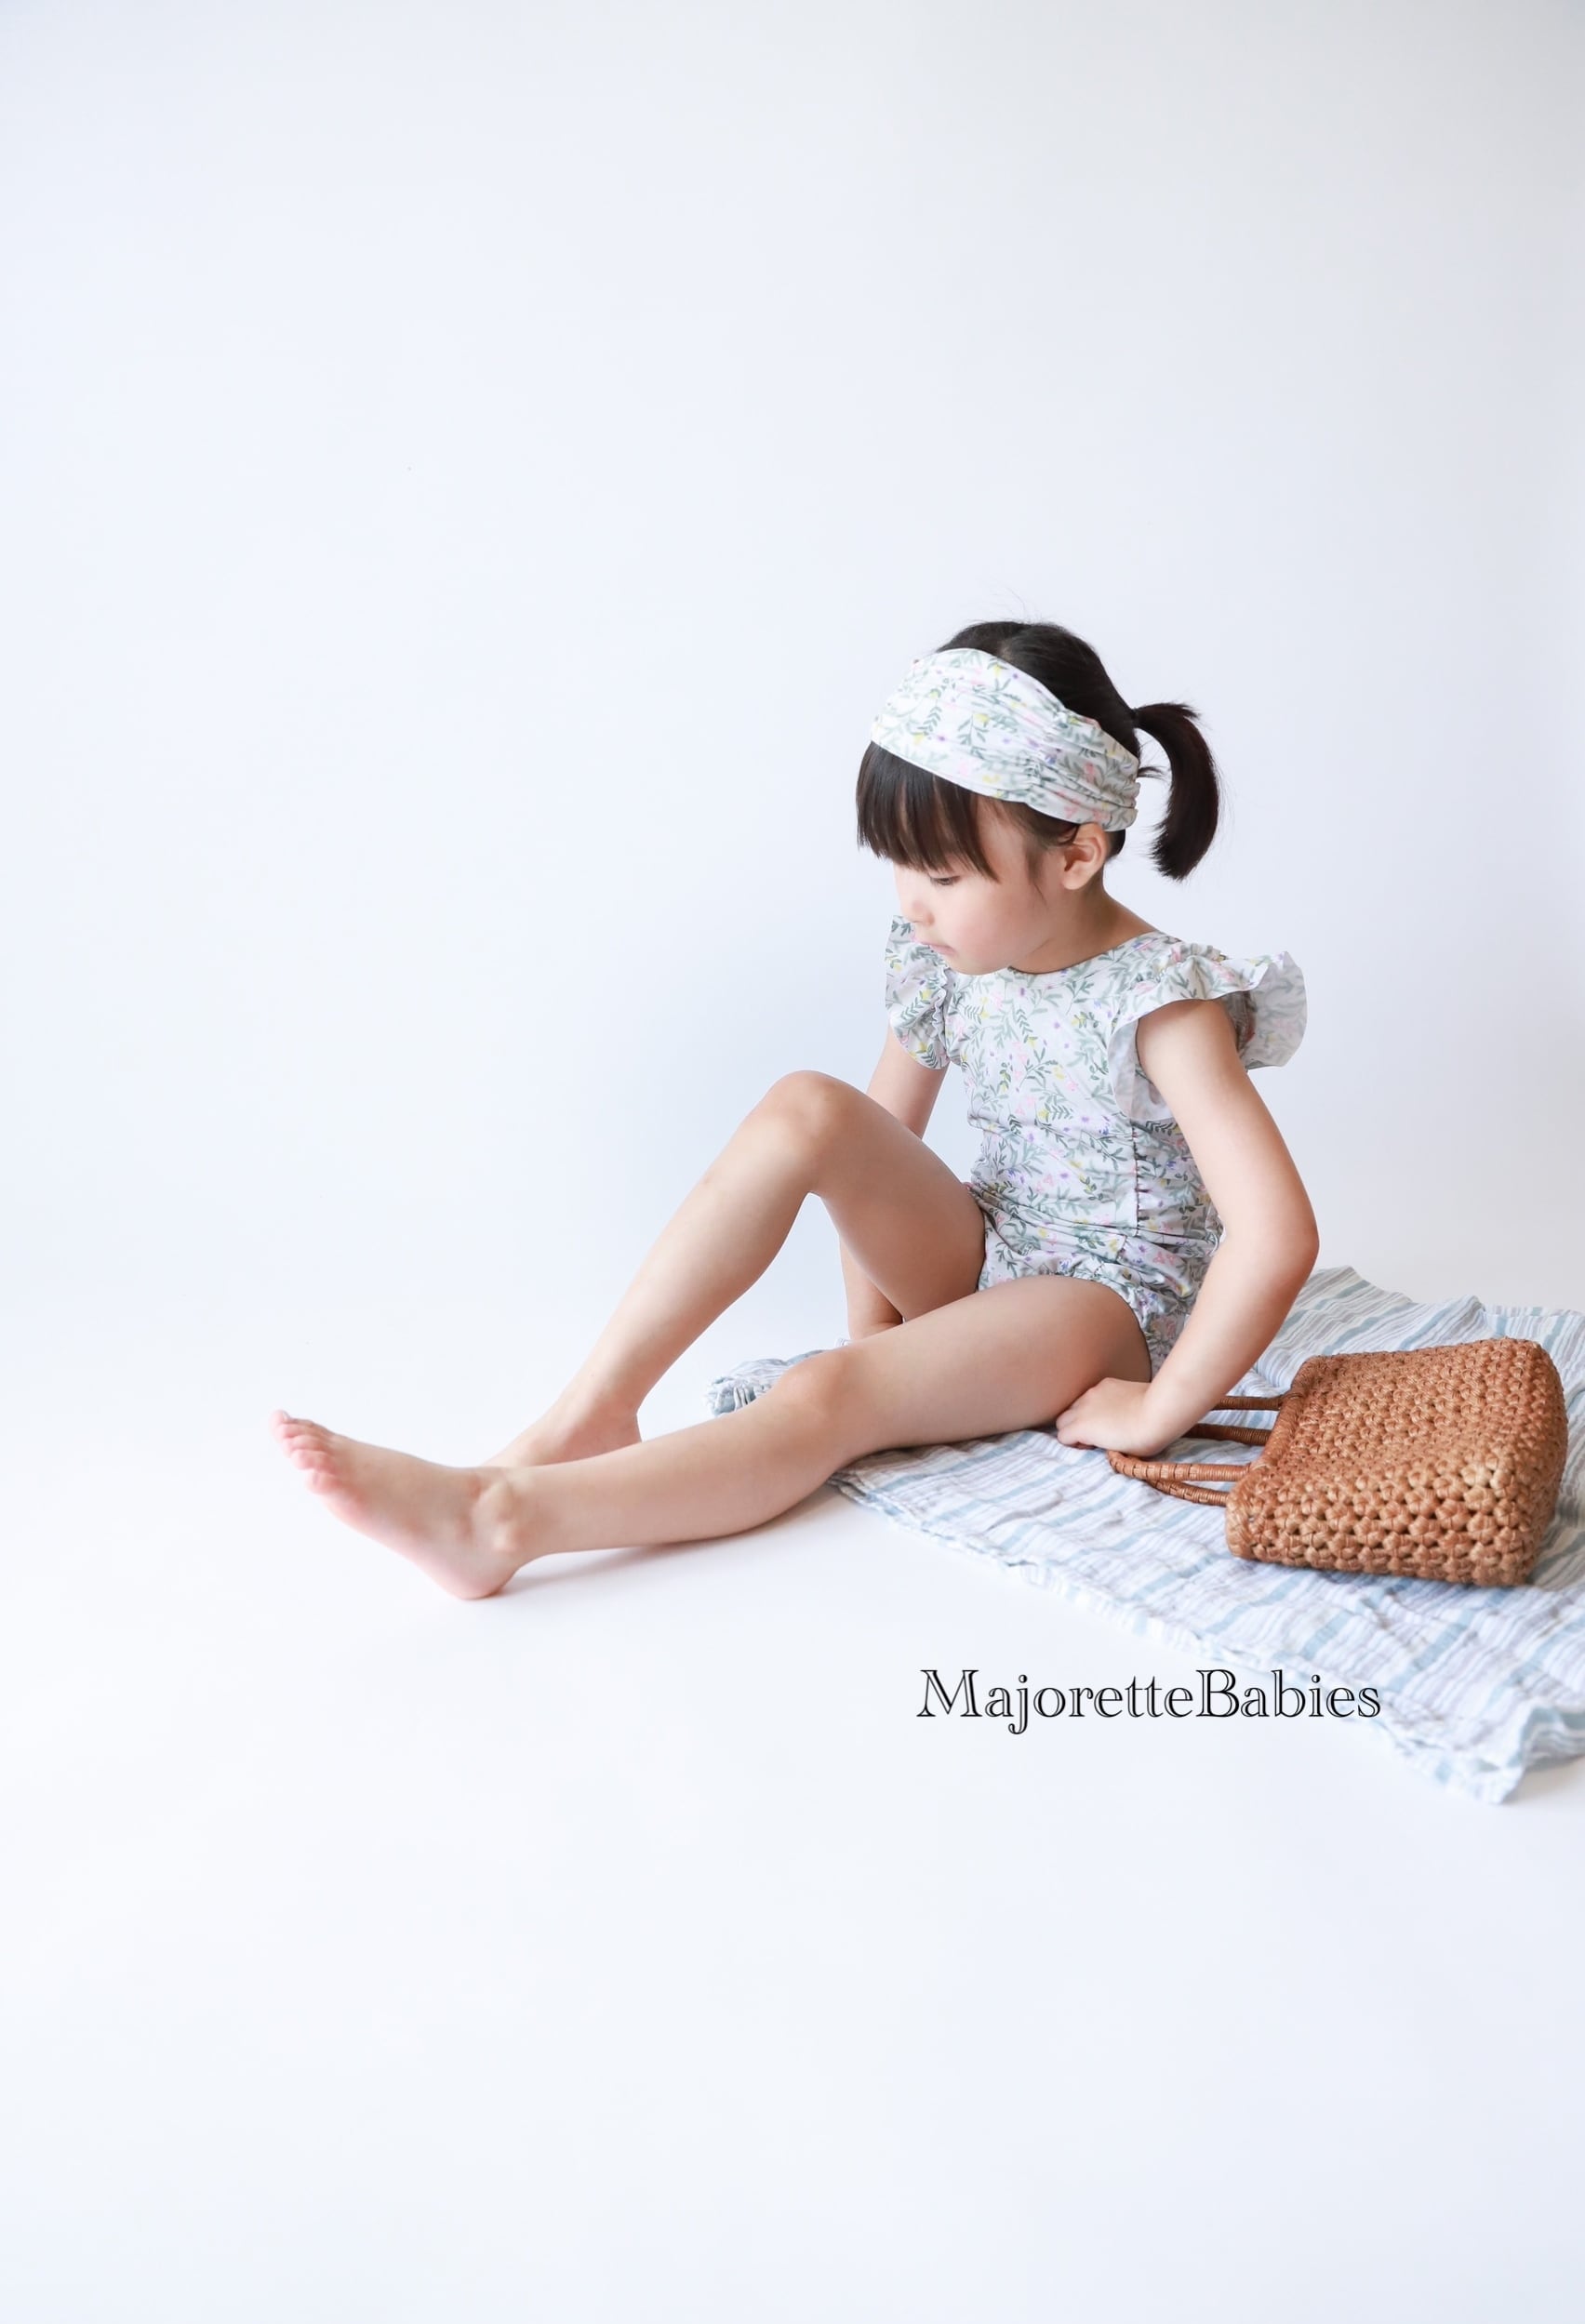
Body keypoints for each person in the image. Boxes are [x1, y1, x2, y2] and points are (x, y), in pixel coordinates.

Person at [273, 618, 1318, 1599]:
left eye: (944, 873)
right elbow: (876, 1146)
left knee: (825, 1395)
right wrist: (883, 1335)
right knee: (807, 1107)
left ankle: (500, 1521)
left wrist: (1160, 1406)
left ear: (1077, 855)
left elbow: (1276, 1233)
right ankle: (593, 1410)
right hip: (994, 1252)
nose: (914, 902)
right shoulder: (952, 960)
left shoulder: (1159, 1000)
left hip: (1109, 1304)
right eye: (901, 865)